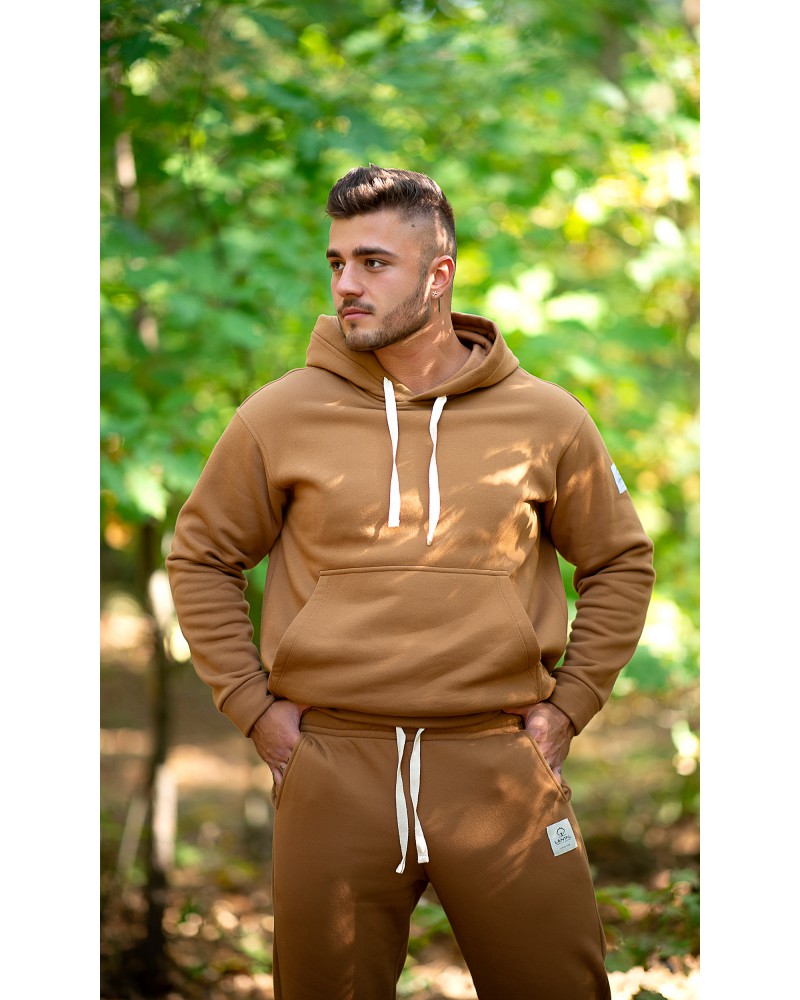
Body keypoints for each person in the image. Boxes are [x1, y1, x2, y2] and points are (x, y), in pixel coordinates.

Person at [166, 164, 655, 1000]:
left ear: (439, 274)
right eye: (336, 263)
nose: (346, 285)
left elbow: (619, 560)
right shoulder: (279, 416)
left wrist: (569, 706)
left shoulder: (546, 419)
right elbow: (201, 556)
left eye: (373, 263)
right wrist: (254, 708)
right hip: (333, 766)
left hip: (498, 766)